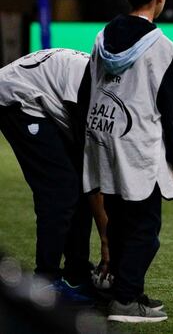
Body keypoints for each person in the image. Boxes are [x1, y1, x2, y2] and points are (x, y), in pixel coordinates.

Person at [83, 0, 173, 323]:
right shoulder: (162, 47)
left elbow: (90, 88)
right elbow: (169, 110)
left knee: (118, 222)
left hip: (103, 140)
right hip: (138, 147)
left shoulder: (102, 36)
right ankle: (126, 300)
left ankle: (126, 289)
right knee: (146, 230)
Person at [0, 48, 105, 303]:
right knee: (60, 190)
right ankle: (46, 282)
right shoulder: (92, 94)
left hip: (41, 93)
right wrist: (107, 240)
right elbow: (92, 171)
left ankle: (77, 272)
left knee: (76, 185)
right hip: (18, 98)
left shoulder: (102, 82)